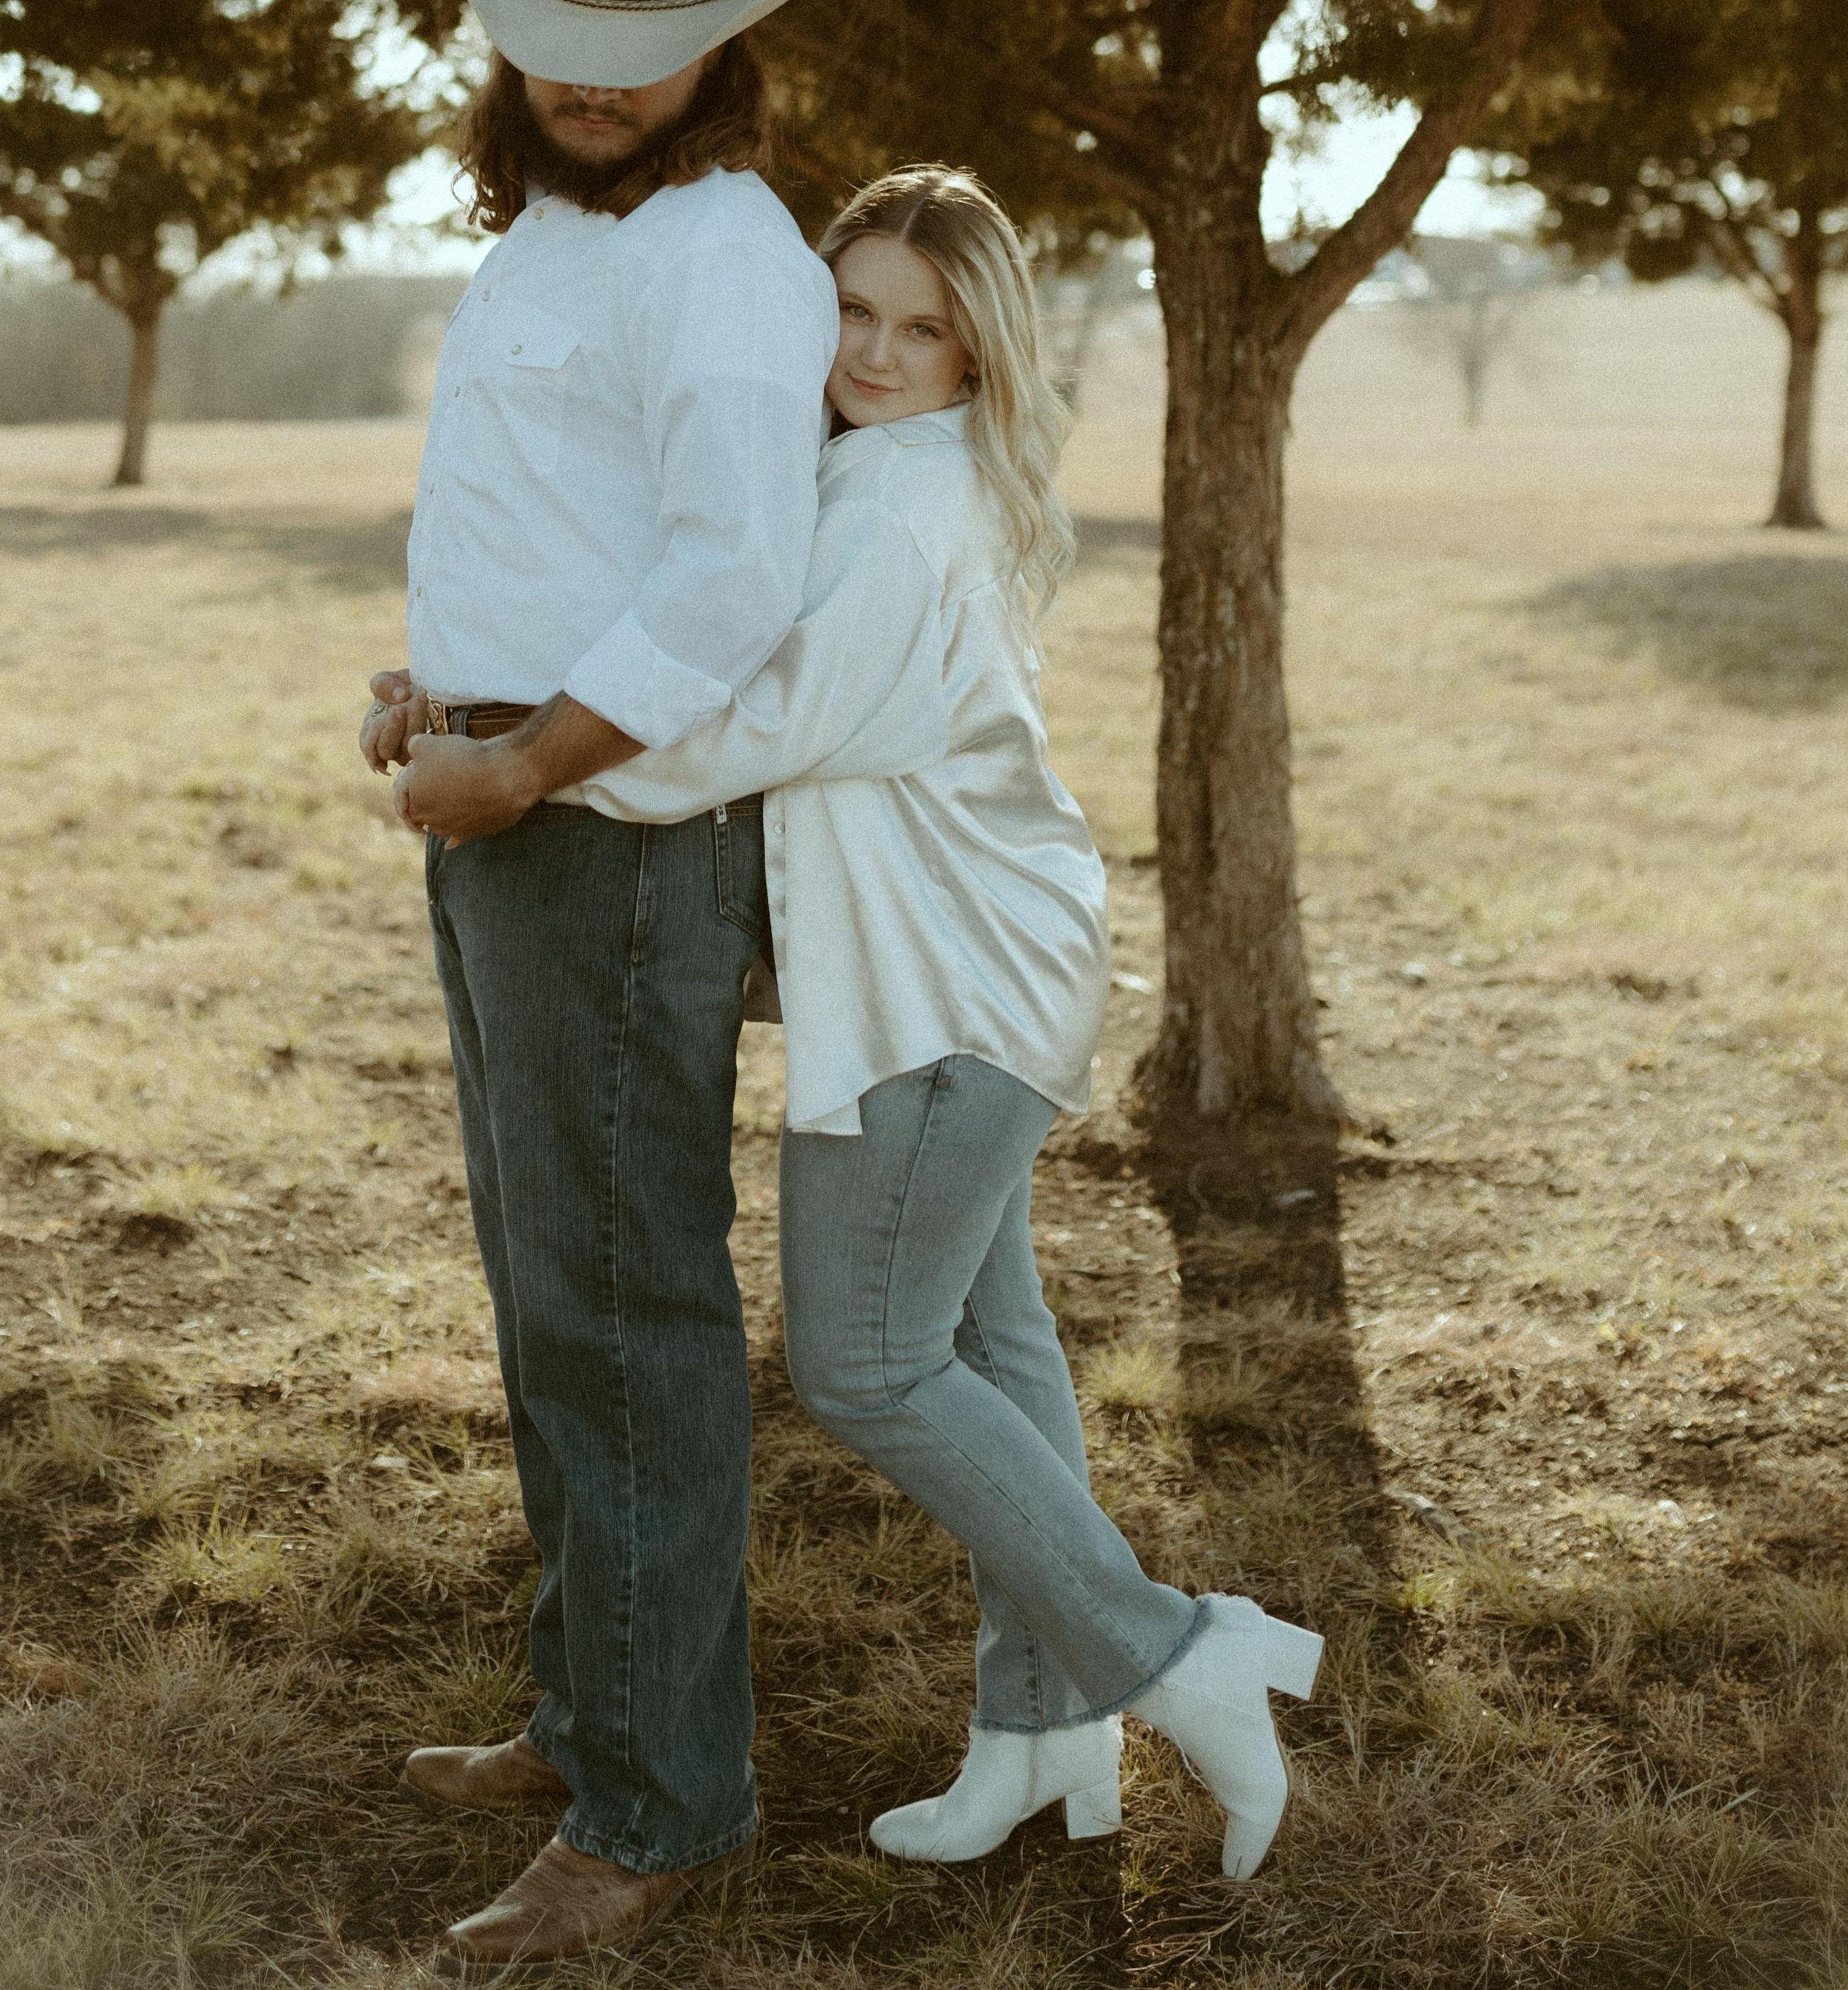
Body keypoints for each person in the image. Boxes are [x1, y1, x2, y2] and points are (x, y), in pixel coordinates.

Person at [400, 166, 1326, 1886]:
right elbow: (684, 621)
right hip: (987, 962)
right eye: (854, 312)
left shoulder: (898, 512)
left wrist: (518, 766)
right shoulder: (869, 474)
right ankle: (1042, 1729)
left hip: (946, 994)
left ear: (981, 353)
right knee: (993, 1345)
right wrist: (478, 679)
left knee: (871, 1364)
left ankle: (1175, 1653)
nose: (880, 353)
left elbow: (739, 728)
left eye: (926, 328)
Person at [356, 0, 838, 1973]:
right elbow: (559, 522)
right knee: (545, 1285)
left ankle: (661, 1803)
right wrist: (439, 687)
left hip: (609, 837)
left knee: (626, 1308)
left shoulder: (726, 255)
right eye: (563, 35)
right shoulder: (548, 232)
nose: (594, 75)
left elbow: (736, 576)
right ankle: (591, 1718)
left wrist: (528, 756)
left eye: (643, 45)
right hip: (502, 801)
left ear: (717, 54)